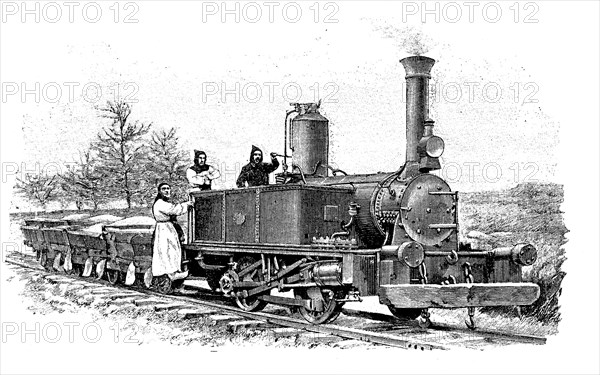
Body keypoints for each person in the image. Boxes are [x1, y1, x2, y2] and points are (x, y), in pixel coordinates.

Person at [151, 182, 193, 281]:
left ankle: (174, 271)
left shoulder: (164, 202)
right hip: (164, 229)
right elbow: (174, 210)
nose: (166, 191)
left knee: (173, 249)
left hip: (168, 227)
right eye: (164, 189)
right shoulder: (160, 203)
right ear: (159, 191)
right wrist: (186, 205)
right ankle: (171, 273)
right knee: (168, 250)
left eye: (168, 188)